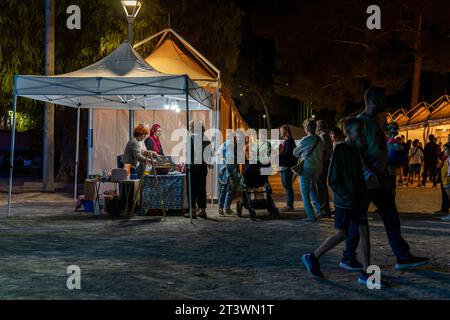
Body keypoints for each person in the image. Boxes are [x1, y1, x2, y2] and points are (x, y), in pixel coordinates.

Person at [341, 87, 429, 271]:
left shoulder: (377, 121)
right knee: (359, 222)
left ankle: (402, 256)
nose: (386, 102)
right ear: (374, 100)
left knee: (391, 218)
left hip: (379, 181)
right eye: (383, 99)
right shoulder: (360, 123)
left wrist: (391, 166)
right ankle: (348, 257)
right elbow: (358, 154)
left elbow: (379, 150)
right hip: (366, 181)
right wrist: (378, 173)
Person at [302, 118, 377, 287]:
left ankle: (366, 272)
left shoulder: (355, 149)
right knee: (344, 233)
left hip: (355, 201)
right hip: (347, 202)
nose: (362, 133)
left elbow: (362, 171)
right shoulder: (341, 149)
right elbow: (333, 179)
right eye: (359, 130)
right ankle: (313, 256)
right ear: (349, 132)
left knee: (360, 233)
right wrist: (348, 195)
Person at [293, 119, 324, 222]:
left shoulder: (305, 139)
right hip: (318, 167)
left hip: (307, 167)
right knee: (312, 188)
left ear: (306, 128)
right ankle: (318, 211)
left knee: (304, 192)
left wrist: (302, 153)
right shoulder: (319, 139)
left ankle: (310, 216)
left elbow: (295, 152)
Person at [185, 120, 211, 219]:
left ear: (192, 127)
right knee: (201, 188)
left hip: (192, 166)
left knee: (191, 188)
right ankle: (203, 210)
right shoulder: (206, 138)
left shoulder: (191, 138)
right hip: (203, 167)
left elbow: (188, 153)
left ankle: (192, 211)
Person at [217, 134, 239, 216]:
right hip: (228, 169)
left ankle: (222, 208)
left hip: (224, 169)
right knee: (229, 188)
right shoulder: (231, 145)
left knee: (224, 188)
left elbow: (218, 154)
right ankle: (224, 208)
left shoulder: (224, 145)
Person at [316, 120, 333, 217]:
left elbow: (323, 152)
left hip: (323, 163)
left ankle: (324, 209)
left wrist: (319, 162)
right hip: (326, 162)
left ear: (319, 127)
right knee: (322, 186)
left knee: (321, 186)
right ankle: (325, 208)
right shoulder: (326, 136)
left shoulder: (323, 136)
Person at [279, 124, 297, 212]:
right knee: (285, 186)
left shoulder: (289, 141)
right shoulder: (286, 141)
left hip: (287, 166)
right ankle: (289, 204)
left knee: (288, 186)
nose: (280, 132)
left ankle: (290, 205)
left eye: (281, 131)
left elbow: (288, 155)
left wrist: (278, 154)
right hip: (284, 166)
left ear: (286, 131)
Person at [435, 134, 450, 215]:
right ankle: (444, 208)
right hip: (444, 174)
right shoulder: (446, 155)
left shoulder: (447, 155)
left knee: (446, 193)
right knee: (445, 193)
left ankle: (445, 209)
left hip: (447, 175)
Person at [439, 144, 450, 221]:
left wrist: (447, 176)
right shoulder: (447, 158)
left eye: (445, 149)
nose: (444, 151)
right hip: (446, 181)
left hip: (448, 180)